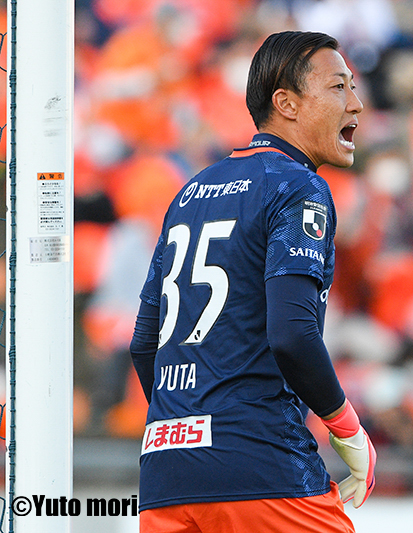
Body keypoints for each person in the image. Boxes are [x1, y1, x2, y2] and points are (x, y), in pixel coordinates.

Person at [129, 31, 376, 532]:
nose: (355, 102)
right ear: (286, 103)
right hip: (263, 468)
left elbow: (143, 344)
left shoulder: (190, 192)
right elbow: (292, 335)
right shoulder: (297, 186)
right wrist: (347, 430)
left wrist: (191, 428)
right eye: (338, 87)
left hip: (165, 476)